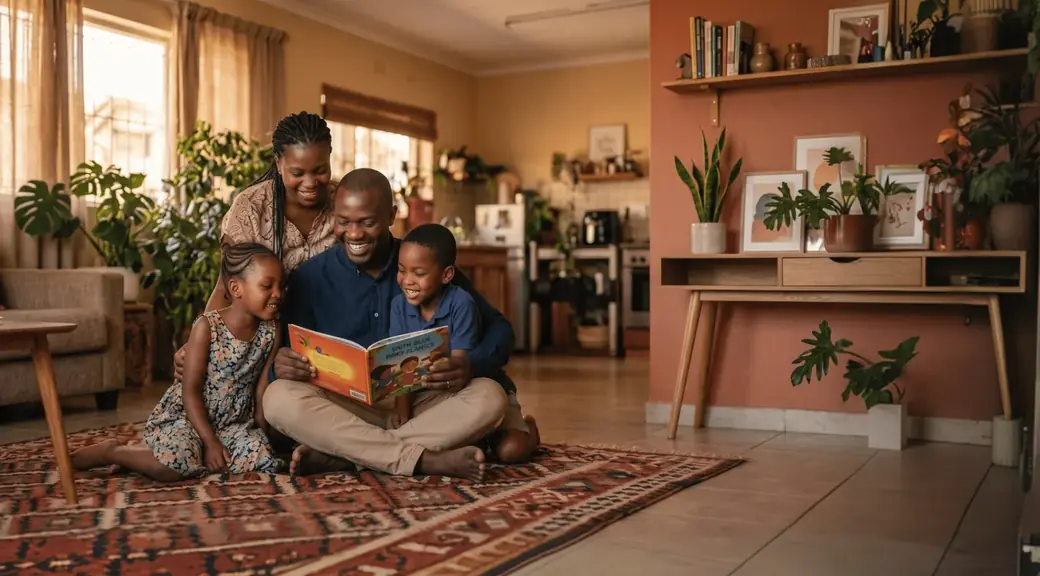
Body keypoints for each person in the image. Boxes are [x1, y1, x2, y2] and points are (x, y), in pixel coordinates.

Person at [263, 168, 519, 482]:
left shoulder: (425, 262)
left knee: (489, 396)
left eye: (367, 222)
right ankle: (422, 459)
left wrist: (470, 365)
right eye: (343, 221)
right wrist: (285, 364)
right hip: (349, 407)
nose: (353, 234)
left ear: (391, 216)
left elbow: (500, 329)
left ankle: (348, 456)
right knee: (278, 399)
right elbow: (290, 355)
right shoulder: (309, 278)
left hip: (422, 402)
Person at [71, 244, 285, 480]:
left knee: (262, 458)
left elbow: (261, 388)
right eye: (267, 286)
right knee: (172, 467)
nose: (278, 293)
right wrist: (210, 441)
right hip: (187, 417)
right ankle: (115, 452)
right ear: (236, 288)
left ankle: (196, 453)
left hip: (233, 423)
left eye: (280, 286)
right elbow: (189, 391)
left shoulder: (272, 330)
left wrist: (260, 434)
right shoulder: (207, 327)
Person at [173, 111, 336, 378]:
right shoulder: (251, 206)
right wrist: (196, 345)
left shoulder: (343, 204)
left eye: (320, 171)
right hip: (262, 338)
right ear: (278, 162)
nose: (310, 183)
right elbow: (228, 287)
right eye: (297, 173)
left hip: (328, 334)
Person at [389, 223, 539, 462]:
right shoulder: (399, 306)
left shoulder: (461, 303)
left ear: (447, 275)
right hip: (430, 394)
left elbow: (459, 372)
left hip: (466, 389)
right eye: (401, 270)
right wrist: (402, 408)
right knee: (403, 420)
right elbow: (401, 367)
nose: (407, 281)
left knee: (512, 451)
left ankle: (529, 430)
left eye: (418, 274)